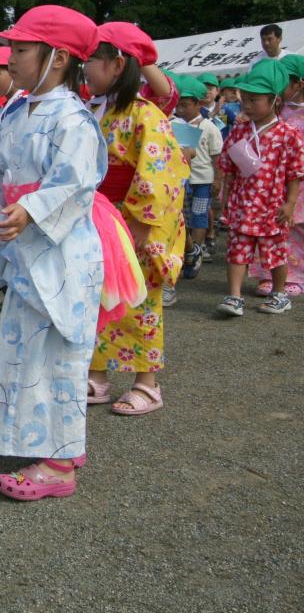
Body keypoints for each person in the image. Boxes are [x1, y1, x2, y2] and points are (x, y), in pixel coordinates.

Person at [0, 5, 109, 500]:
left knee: (57, 355)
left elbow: (76, 182)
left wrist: (31, 208)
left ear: (57, 59)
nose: (9, 59)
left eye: (19, 49)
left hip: (60, 253)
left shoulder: (73, 118)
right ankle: (52, 443)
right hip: (28, 249)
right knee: (27, 352)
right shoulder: (17, 109)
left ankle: (58, 464)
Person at [84, 21, 188, 416]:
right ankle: (97, 374)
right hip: (101, 217)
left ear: (117, 65)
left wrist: (142, 225)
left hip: (133, 220)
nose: (86, 68)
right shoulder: (97, 109)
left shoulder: (144, 114)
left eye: (93, 59)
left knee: (140, 301)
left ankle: (148, 382)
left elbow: (160, 172)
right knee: (99, 298)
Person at [216, 59, 304, 316]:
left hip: (272, 207)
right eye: (245, 99)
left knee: (275, 252)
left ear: (275, 100)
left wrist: (290, 204)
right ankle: (234, 296)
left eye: (255, 100)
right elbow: (229, 166)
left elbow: (295, 174)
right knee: (237, 250)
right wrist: (225, 192)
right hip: (243, 205)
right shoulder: (239, 130)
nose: (247, 105)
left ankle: (279, 293)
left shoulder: (288, 134)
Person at [249, 55, 304, 296]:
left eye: (284, 82)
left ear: (298, 83)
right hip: (273, 180)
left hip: (297, 178)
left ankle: (297, 275)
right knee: (271, 226)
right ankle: (269, 275)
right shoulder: (274, 109)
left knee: (297, 227)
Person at [169, 74, 223, 302]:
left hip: (202, 181)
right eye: (179, 104)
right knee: (182, 216)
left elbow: (216, 156)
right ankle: (188, 252)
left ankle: (196, 252)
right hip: (182, 181)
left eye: (186, 104)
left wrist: (218, 180)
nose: (181, 108)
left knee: (199, 216)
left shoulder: (209, 127)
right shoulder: (174, 124)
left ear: (199, 104)